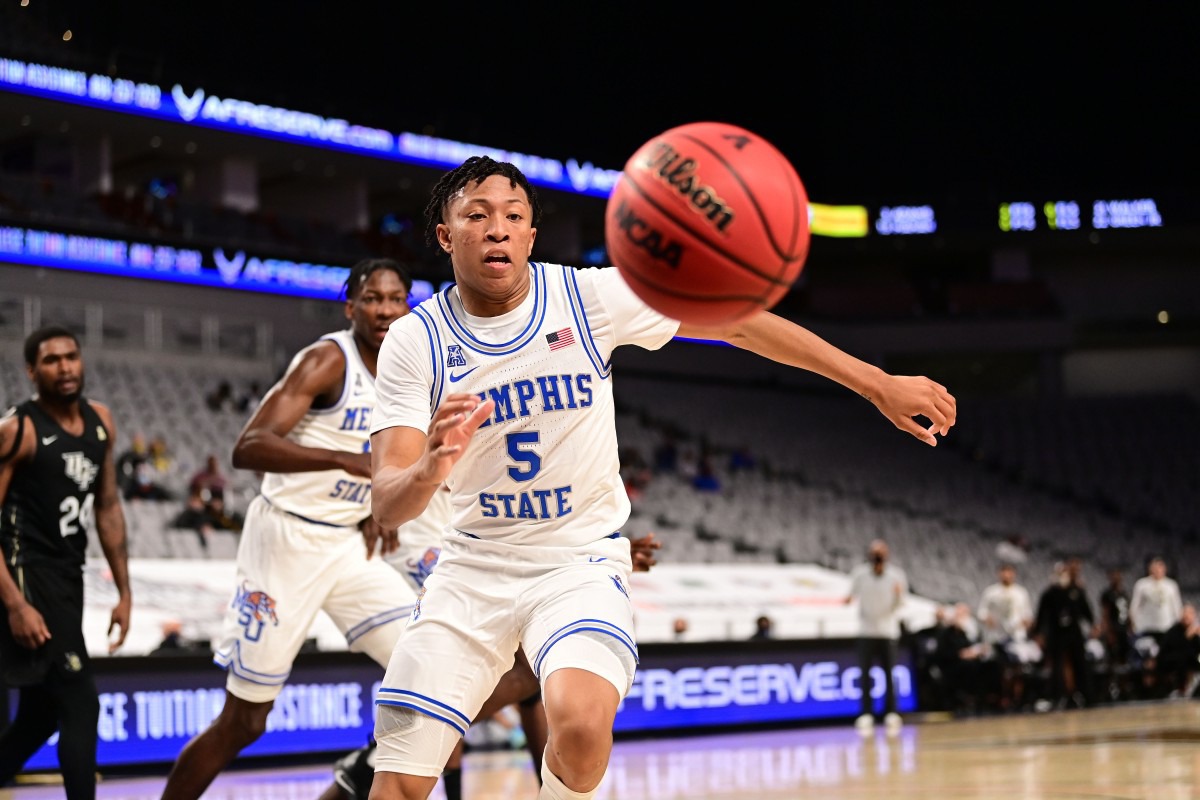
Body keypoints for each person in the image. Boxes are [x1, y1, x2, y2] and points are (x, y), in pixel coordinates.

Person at [367, 155, 955, 800]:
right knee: (398, 779)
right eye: (476, 217)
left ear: (532, 235)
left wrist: (875, 384)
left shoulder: (590, 297)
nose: (497, 230)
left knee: (583, 728)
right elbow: (389, 503)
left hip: (577, 564)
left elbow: (735, 320)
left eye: (514, 217)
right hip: (472, 570)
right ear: (447, 236)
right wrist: (430, 465)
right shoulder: (413, 341)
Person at [0, 325, 133, 799]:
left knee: (39, 715)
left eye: (71, 357)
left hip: (67, 575)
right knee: (80, 703)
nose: (65, 367)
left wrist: (124, 591)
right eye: (52, 360)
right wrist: (15, 605)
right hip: (23, 576)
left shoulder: (101, 422)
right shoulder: (18, 429)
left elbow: (109, 507)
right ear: (32, 370)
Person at [844, 538, 909, 734]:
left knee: (890, 674)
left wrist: (898, 596)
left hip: (888, 631)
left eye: (881, 553)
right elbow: (850, 597)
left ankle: (891, 712)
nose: (878, 557)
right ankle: (866, 713)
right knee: (865, 675)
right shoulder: (860, 574)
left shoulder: (896, 575)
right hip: (866, 631)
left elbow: (901, 603)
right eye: (874, 552)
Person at [1034, 556, 1095, 709]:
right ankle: (1058, 696)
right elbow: (1041, 614)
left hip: (1074, 632)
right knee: (1057, 666)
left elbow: (1086, 612)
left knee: (1080, 663)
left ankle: (1084, 695)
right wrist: (1039, 633)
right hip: (1056, 633)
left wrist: (1093, 624)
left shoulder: (1077, 590)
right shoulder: (1050, 593)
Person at [977, 563, 1037, 710]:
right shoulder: (991, 592)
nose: (1006, 575)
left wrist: (1026, 622)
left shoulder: (1021, 593)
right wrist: (988, 619)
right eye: (1004, 572)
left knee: (1019, 668)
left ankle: (1017, 698)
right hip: (998, 636)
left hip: (1017, 635)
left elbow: (1027, 613)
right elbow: (982, 612)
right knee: (1002, 668)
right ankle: (1003, 697)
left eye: (1009, 572)